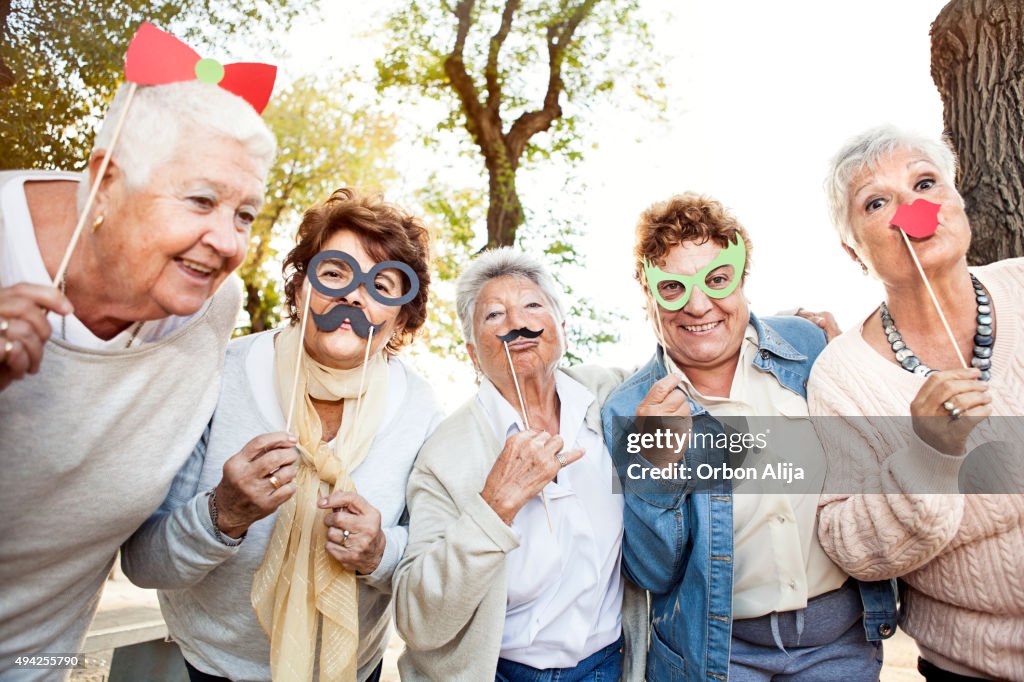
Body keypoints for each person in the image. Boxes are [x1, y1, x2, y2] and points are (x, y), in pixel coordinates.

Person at [0, 78, 276, 677]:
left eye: (245, 214)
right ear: (104, 184)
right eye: (201, 201)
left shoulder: (211, 303)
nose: (228, 242)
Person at [121, 188, 442, 682]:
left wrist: (379, 552)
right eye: (335, 272)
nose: (354, 295)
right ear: (298, 290)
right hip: (216, 665)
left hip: (350, 668)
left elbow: (430, 560)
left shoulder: (420, 411)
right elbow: (142, 562)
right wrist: (221, 515)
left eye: (384, 284)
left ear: (402, 316)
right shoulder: (216, 377)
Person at [602, 193, 897, 681]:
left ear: (740, 280)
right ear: (647, 297)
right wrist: (656, 468)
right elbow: (651, 572)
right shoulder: (627, 409)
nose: (699, 305)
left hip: (838, 646)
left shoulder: (807, 345)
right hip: (719, 658)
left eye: (717, 280)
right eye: (673, 287)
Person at [809, 126, 1024, 682]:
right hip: (972, 667)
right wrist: (929, 453)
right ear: (853, 250)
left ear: (956, 202)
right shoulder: (841, 374)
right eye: (876, 202)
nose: (911, 210)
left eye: (925, 184)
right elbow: (850, 544)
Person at [393, 248, 647, 681]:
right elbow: (419, 620)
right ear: (473, 354)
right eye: (494, 315)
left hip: (609, 665)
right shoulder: (444, 454)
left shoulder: (612, 396)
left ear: (561, 329)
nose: (517, 323)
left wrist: (782, 329)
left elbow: (694, 359)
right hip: (498, 671)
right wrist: (495, 506)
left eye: (533, 305)